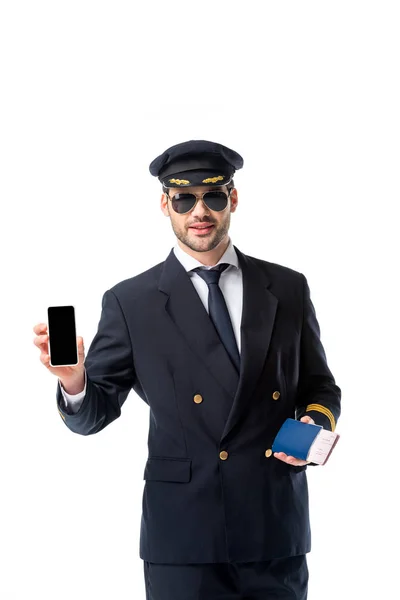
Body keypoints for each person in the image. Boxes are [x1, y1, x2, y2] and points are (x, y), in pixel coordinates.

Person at [33, 139, 341, 600]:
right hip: (183, 534)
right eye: (184, 199)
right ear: (165, 204)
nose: (200, 211)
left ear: (232, 199)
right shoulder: (131, 302)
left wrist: (313, 425)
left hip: (273, 525)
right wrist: (75, 381)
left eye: (213, 196)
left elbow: (319, 385)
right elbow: (93, 415)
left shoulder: (287, 287)